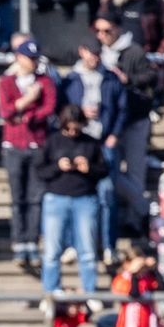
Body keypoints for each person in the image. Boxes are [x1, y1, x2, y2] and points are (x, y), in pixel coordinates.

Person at [63, 37, 127, 266]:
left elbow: (122, 109)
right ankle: (72, 245)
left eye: (97, 53)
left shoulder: (110, 78)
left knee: (107, 195)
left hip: (103, 143)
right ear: (81, 51)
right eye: (90, 52)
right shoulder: (71, 80)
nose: (94, 57)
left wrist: (114, 136)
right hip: (79, 143)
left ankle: (108, 246)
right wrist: (80, 114)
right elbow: (63, 111)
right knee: (74, 193)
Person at [0, 39, 57, 271]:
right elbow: (6, 110)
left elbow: (49, 108)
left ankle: (32, 241)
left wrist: (26, 115)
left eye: (35, 59)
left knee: (35, 197)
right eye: (28, 58)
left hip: (37, 145)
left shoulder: (45, 82)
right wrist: (28, 100)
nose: (32, 63)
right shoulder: (7, 82)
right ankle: (19, 241)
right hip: (13, 145)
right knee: (17, 197)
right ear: (18, 58)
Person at [38, 103, 106, 296]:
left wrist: (89, 168)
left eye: (77, 127)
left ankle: (89, 291)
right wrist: (58, 166)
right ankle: (51, 290)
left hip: (85, 199)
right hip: (56, 198)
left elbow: (104, 170)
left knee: (87, 250)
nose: (73, 131)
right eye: (69, 127)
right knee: (52, 250)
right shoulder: (53, 141)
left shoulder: (91, 143)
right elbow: (41, 170)